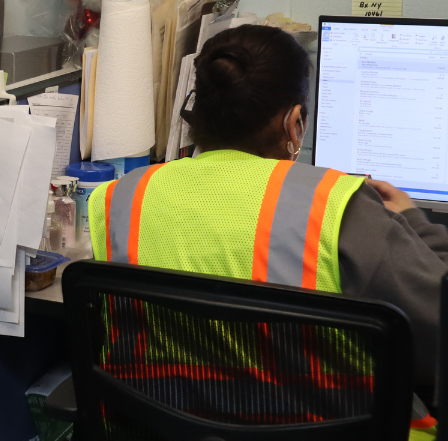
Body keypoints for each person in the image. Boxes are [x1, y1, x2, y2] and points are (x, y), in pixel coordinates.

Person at [88, 24, 445, 435]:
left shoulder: (120, 199)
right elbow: (438, 335)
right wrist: (415, 222)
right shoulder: (338, 208)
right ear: (294, 123)